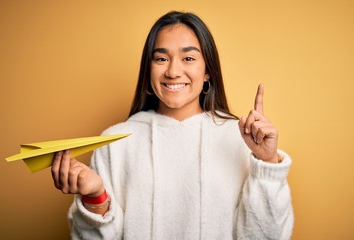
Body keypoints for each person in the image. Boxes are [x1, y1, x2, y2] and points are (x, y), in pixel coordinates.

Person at [51, 11, 294, 239]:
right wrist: (95, 198)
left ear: (207, 70)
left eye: (188, 58)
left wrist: (267, 164)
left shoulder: (241, 139)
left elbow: (266, 236)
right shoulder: (115, 142)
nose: (173, 71)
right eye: (161, 58)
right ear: (148, 70)